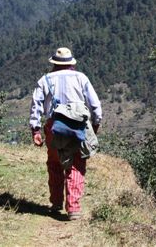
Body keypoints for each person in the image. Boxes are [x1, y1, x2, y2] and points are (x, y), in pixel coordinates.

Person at [30, 47, 103, 220]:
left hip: (54, 126)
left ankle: (56, 203)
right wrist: (95, 124)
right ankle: (73, 208)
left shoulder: (45, 80)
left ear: (54, 63)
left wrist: (36, 130)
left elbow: (36, 105)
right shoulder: (81, 78)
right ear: (71, 63)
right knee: (76, 164)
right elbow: (95, 106)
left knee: (55, 163)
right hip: (78, 127)